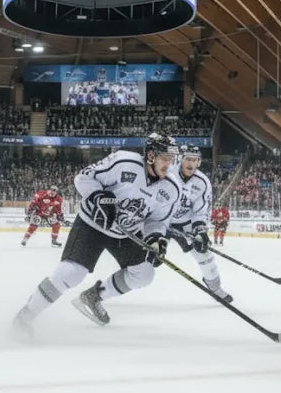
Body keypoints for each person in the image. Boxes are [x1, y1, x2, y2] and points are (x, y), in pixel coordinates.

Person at [12, 133, 181, 337]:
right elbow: (83, 177)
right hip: (93, 223)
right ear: (151, 156)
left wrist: (155, 238)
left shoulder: (171, 189)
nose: (169, 164)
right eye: (165, 158)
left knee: (143, 274)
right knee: (70, 273)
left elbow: (158, 220)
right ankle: (26, 315)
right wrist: (98, 195)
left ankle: (94, 296)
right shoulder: (123, 162)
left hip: (127, 233)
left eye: (172, 159)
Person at [166, 145, 232, 302]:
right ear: (180, 160)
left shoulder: (202, 182)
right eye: (188, 159)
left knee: (205, 256)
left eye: (194, 160)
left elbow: (201, 210)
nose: (191, 163)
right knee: (145, 259)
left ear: (199, 162)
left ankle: (215, 288)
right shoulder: (166, 174)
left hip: (185, 223)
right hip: (161, 221)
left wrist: (200, 231)